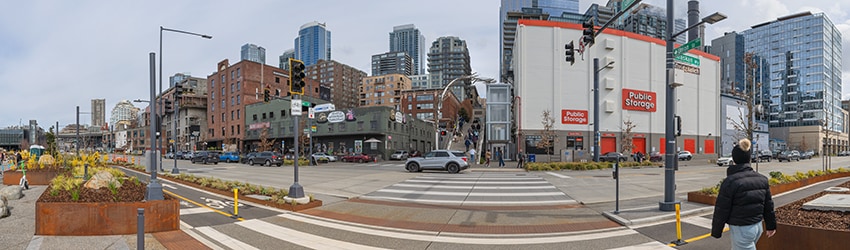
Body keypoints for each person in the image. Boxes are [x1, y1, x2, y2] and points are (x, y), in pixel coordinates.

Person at [711, 138, 777, 249]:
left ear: (734, 159)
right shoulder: (762, 179)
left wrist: (716, 231)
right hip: (757, 226)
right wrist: (771, 225)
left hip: (742, 228)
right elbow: (768, 205)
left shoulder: (731, 182)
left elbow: (721, 208)